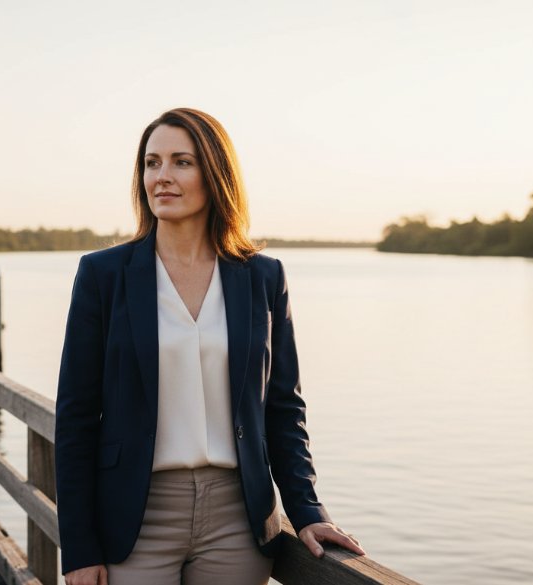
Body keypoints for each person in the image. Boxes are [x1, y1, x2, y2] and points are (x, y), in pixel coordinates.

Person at [55, 108, 364, 585]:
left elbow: (283, 407)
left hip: (238, 519)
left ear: (215, 174)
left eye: (182, 162)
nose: (162, 177)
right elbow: (76, 417)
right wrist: (78, 547)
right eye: (151, 163)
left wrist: (306, 510)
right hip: (133, 517)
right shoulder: (103, 275)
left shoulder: (263, 277)